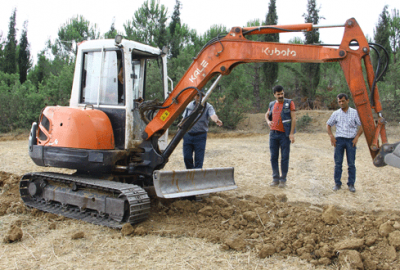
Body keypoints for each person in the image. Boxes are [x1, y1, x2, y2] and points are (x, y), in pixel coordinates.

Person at [327, 93, 363, 193]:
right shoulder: (336, 113)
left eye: (343, 101)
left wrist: (356, 137)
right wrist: (331, 136)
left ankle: (351, 184)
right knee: (338, 163)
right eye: (339, 101)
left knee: (351, 163)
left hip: (351, 140)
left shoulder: (355, 113)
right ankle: (337, 183)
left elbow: (361, 125)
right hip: (339, 140)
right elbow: (328, 124)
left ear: (347, 100)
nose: (341, 103)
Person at [265, 85, 296, 188]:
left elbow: (294, 118)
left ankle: (283, 179)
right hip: (273, 134)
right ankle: (275, 178)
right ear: (274, 94)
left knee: (284, 157)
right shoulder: (272, 104)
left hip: (284, 135)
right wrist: (268, 121)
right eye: (278, 94)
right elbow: (267, 114)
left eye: (282, 93)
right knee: (273, 157)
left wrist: (291, 133)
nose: (281, 96)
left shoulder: (289, 103)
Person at [182, 92, 223, 169]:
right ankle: (190, 174)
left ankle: (197, 177)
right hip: (188, 135)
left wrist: (216, 120)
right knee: (187, 157)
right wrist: (180, 127)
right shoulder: (189, 106)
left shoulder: (208, 107)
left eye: (202, 95)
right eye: (197, 95)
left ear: (205, 96)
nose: (199, 97)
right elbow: (184, 118)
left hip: (200, 136)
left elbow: (213, 115)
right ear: (194, 96)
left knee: (199, 160)